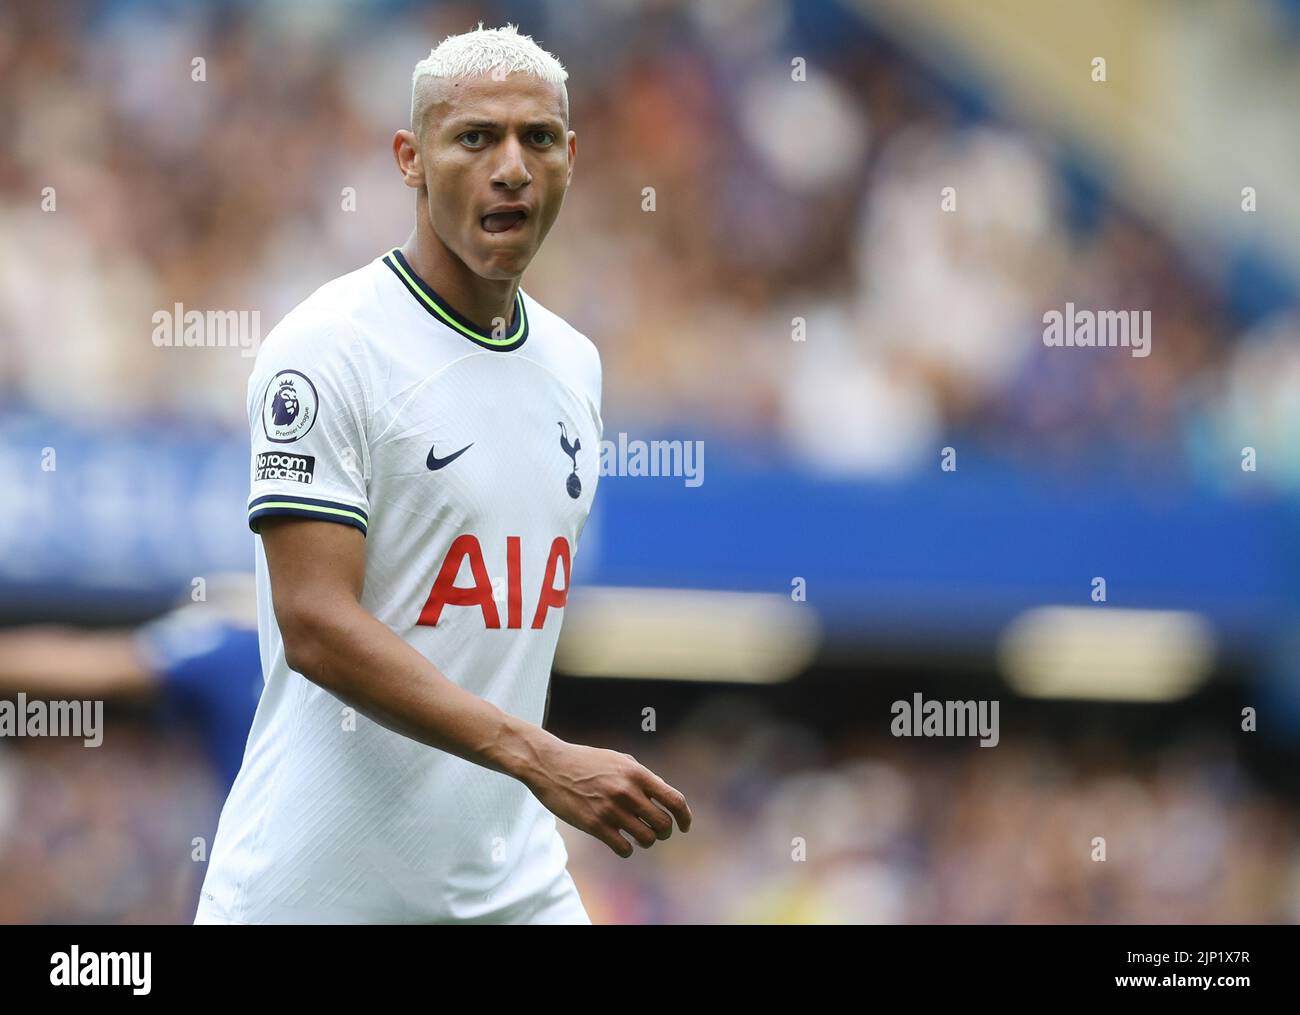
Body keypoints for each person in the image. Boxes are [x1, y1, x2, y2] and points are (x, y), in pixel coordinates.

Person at [195, 23, 690, 925]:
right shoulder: (328, 346)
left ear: (571, 156)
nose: (512, 167)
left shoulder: (576, 366)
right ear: (410, 158)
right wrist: (539, 756)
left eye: (538, 138)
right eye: (475, 138)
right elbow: (313, 621)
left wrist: (529, 763)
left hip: (511, 888)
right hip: (317, 892)